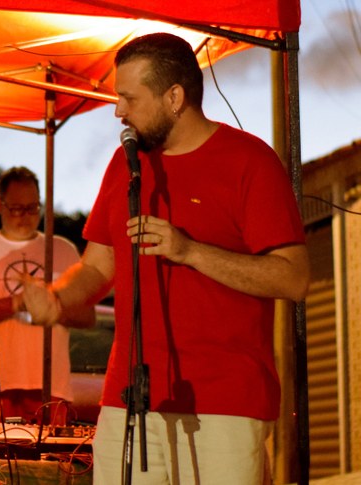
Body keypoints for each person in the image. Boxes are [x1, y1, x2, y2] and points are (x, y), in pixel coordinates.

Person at [22, 33, 310, 484]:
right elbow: (98, 267)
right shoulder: (126, 164)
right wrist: (58, 299)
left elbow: (293, 279)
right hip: (129, 398)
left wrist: (189, 251)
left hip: (226, 403)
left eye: (129, 98)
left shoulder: (249, 161)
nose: (118, 110)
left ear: (174, 97)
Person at [0, 166, 94, 426]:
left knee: (51, 463)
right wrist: (16, 303)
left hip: (52, 387)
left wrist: (52, 307)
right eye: (16, 208)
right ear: (0, 206)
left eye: (32, 208)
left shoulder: (62, 249)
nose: (24, 216)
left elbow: (87, 315)